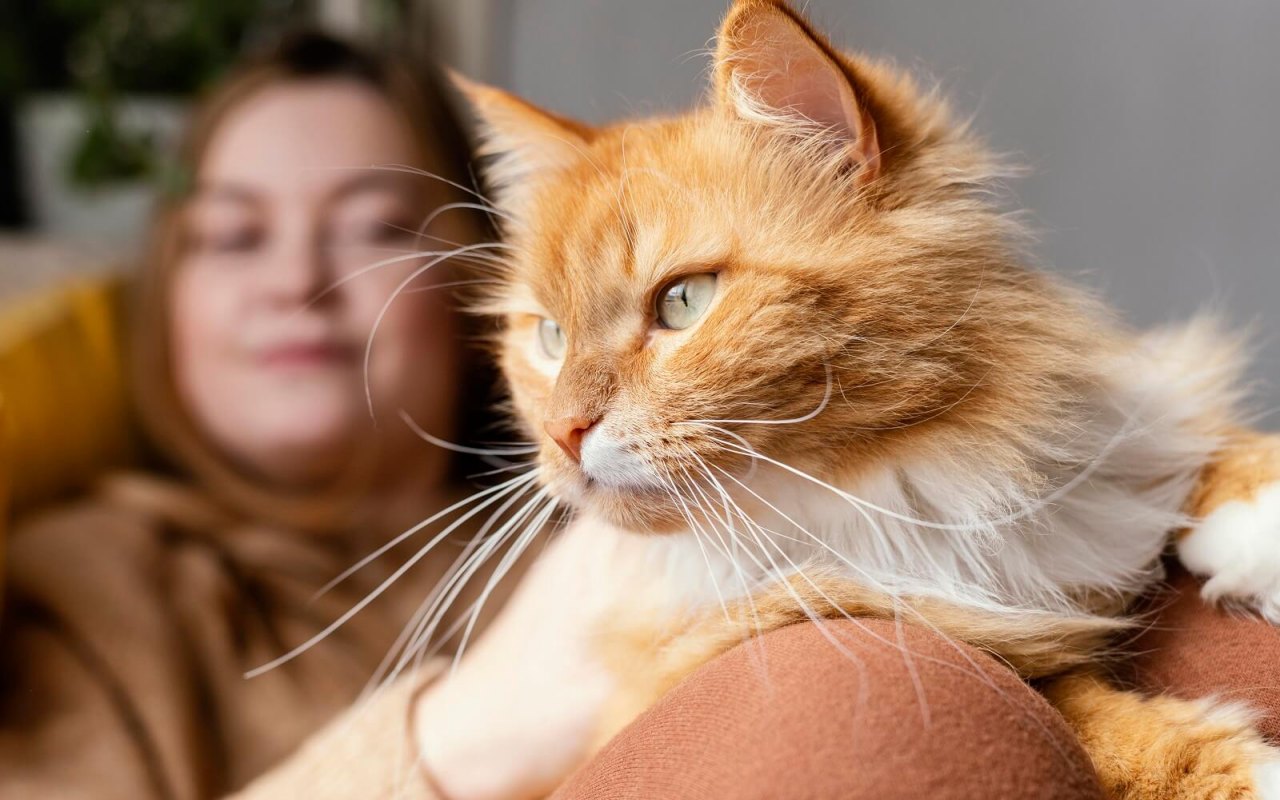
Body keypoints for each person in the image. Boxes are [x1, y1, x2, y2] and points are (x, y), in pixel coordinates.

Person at [0, 30, 513, 799]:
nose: (297, 282)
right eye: (234, 237)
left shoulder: (622, 536)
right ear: (164, 298)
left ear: (485, 280)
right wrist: (452, 743)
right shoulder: (84, 590)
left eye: (373, 228)